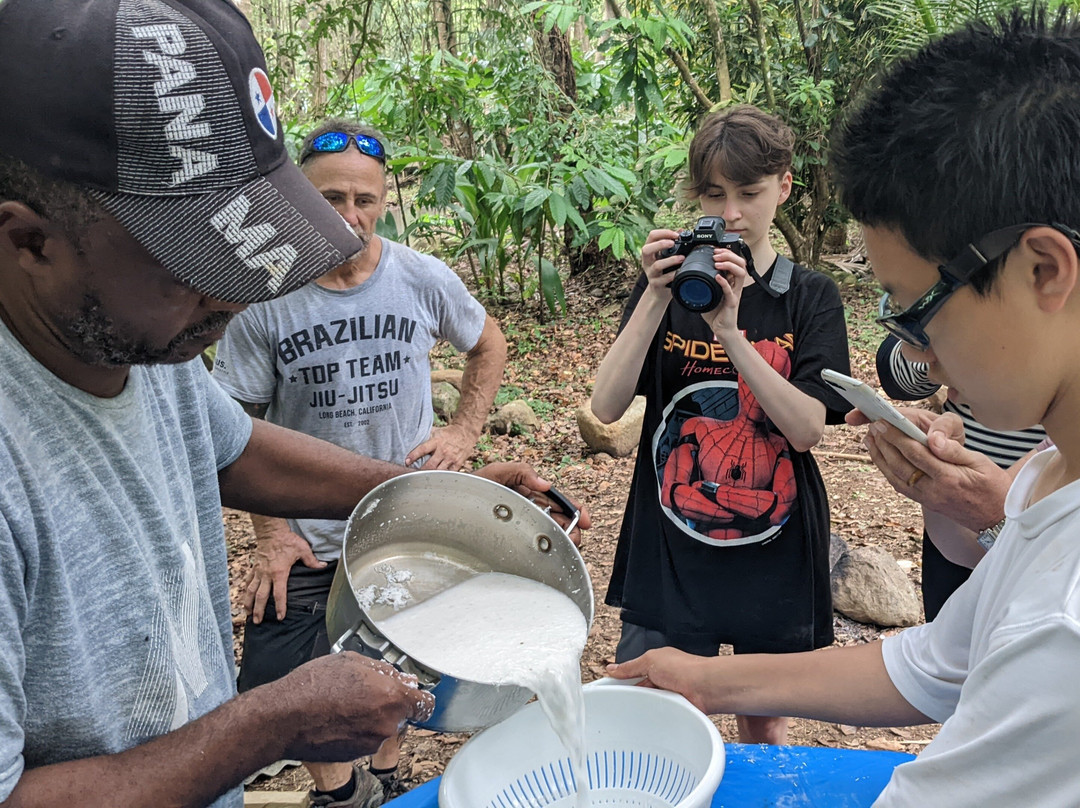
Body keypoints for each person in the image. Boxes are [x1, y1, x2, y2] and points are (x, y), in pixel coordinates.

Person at [0, 1, 586, 806]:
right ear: (30, 240)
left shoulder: (140, 340)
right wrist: (271, 723)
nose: (235, 300)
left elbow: (235, 448)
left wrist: (442, 503)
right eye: (190, 259)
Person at [610, 9, 1080, 805]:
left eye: (913, 305)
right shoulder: (1045, 479)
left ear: (1044, 271)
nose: (913, 355)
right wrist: (703, 680)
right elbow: (930, 663)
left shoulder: (1063, 625)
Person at [211, 118, 507, 804]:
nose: (350, 216)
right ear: (298, 199)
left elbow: (487, 343)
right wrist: (272, 534)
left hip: (404, 526)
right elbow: (235, 426)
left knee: (394, 667)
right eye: (331, 198)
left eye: (365, 200)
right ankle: (342, 794)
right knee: (291, 685)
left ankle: (381, 776)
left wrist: (462, 432)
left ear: (384, 199)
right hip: (308, 535)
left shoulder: (420, 277)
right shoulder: (263, 300)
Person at [591, 105, 851, 745]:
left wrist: (731, 334)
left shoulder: (807, 297)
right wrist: (655, 294)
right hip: (670, 539)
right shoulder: (669, 288)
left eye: (749, 193)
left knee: (762, 717)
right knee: (661, 718)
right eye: (714, 194)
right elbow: (605, 406)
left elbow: (807, 430)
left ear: (784, 186)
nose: (731, 213)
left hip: (774, 540)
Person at [856, 335, 1045, 619]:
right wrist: (937, 480)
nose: (951, 393)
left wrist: (991, 516)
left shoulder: (1055, 457)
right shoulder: (1053, 454)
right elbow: (944, 648)